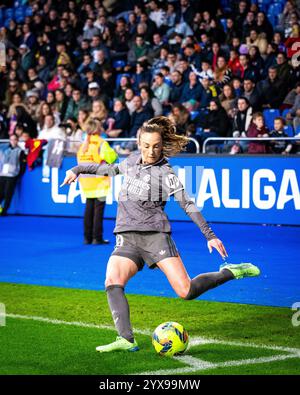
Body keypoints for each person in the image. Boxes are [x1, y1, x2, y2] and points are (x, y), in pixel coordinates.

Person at [61, 116, 260, 352]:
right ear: (139, 143)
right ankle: (126, 339)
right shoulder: (131, 161)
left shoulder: (166, 172)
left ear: (161, 144)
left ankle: (229, 272)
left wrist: (210, 235)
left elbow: (187, 203)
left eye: (155, 145)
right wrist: (77, 169)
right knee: (113, 281)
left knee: (186, 291)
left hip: (155, 237)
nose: (151, 151)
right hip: (127, 235)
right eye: (146, 145)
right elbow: (104, 169)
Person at [77, 119, 118, 245]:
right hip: (99, 182)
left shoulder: (83, 145)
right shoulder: (101, 143)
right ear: (97, 129)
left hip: (86, 182)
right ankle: (97, 237)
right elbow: (112, 157)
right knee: (98, 210)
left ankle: (87, 237)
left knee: (88, 209)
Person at [0, 134, 26, 216]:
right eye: (11, 139)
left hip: (12, 175)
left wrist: (18, 175)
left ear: (17, 141)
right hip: (3, 174)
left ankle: (4, 210)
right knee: (1, 193)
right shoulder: (5, 150)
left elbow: (22, 165)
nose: (13, 141)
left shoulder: (20, 151)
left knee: (8, 193)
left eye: (15, 139)